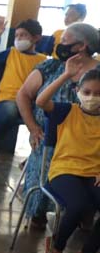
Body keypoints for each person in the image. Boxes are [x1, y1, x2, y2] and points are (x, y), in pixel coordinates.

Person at [17, 23, 100, 227]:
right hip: (47, 136)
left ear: (82, 45)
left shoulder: (98, 72)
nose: (59, 45)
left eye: (64, 41)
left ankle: (80, 214)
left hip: (87, 142)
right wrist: (33, 128)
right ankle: (39, 213)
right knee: (46, 156)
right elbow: (24, 95)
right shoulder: (51, 66)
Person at [37, 66, 100, 253]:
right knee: (78, 206)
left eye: (98, 93)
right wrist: (65, 75)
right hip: (64, 170)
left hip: (93, 173)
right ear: (77, 91)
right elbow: (41, 101)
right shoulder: (67, 110)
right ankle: (57, 246)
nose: (92, 97)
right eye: (87, 92)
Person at [0, 17, 47, 174]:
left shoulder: (42, 60)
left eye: (23, 35)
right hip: (8, 99)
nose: (19, 39)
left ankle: (32, 160)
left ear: (36, 38)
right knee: (9, 113)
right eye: (17, 35)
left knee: (48, 119)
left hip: (32, 102)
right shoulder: (11, 53)